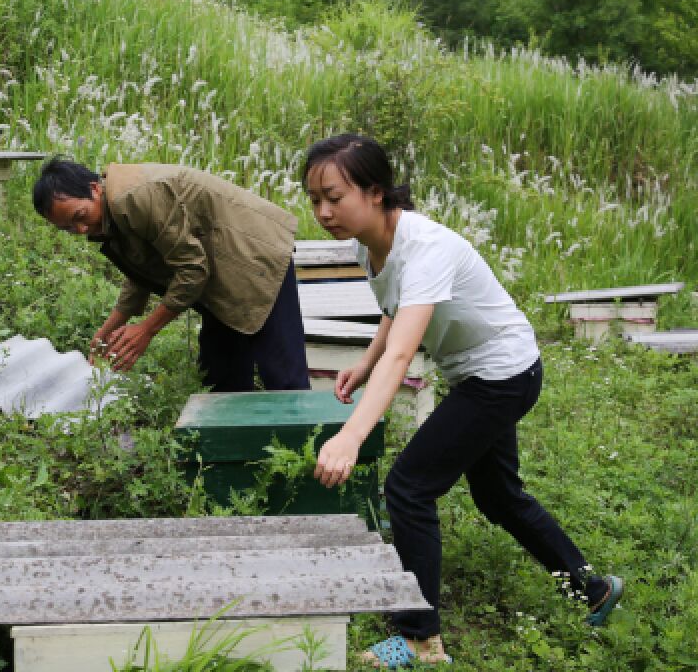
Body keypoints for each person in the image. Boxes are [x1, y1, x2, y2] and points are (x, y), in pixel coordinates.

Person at [302, 134, 623, 667]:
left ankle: (418, 639)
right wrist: (365, 360)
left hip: (501, 374)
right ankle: (593, 589)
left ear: (376, 192)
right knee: (498, 497)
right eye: (315, 199)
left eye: (334, 196)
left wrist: (352, 434)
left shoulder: (426, 248)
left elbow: (404, 356)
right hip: (484, 373)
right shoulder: (369, 243)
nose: (323, 211)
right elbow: (395, 310)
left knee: (407, 487)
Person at [31, 157, 310, 392]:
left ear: (94, 189)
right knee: (221, 377)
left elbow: (192, 269)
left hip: (254, 257)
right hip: (221, 270)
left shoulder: (133, 198)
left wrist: (147, 329)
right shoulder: (112, 209)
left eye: (79, 216)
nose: (80, 230)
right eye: (68, 228)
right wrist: (111, 326)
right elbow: (142, 268)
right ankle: (234, 454)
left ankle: (311, 452)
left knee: (283, 376)